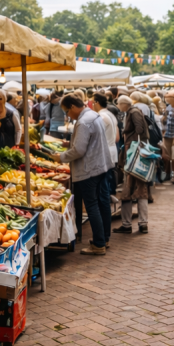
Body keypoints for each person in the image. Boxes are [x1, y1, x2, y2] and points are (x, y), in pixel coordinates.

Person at [56, 95, 113, 255]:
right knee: (101, 204)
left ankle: (99, 244)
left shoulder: (83, 122)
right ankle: (104, 239)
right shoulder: (94, 115)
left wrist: (61, 157)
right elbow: (89, 142)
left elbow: (79, 150)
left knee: (92, 205)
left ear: (73, 107)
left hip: (89, 169)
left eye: (67, 112)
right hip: (100, 166)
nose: (68, 115)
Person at [114, 95, 150, 234]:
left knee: (129, 189)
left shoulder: (133, 112)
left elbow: (140, 130)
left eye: (119, 104)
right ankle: (141, 223)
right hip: (137, 154)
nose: (118, 106)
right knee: (140, 189)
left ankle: (128, 224)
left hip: (134, 154)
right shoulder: (134, 111)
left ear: (124, 104)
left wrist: (131, 141)